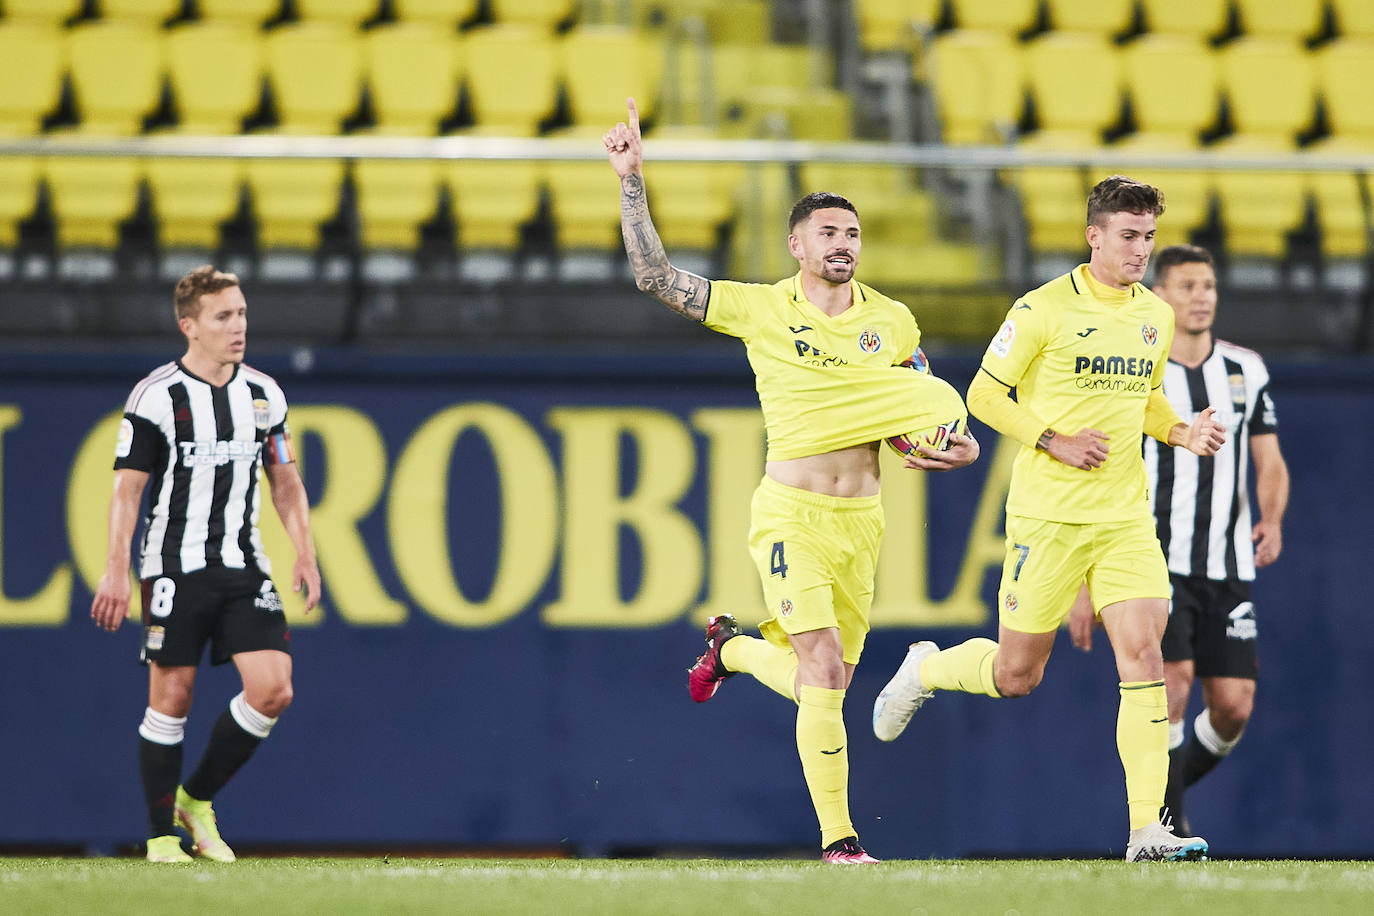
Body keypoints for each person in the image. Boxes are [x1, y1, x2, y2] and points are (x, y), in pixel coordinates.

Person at [604, 98, 980, 863]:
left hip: (863, 520)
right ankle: (840, 843)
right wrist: (631, 180)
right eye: (829, 233)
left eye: (853, 234)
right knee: (819, 667)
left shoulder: (894, 321)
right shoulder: (761, 306)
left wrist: (960, 449)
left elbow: (921, 407)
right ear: (796, 245)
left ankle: (735, 649)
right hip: (792, 515)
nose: (844, 244)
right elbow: (653, 276)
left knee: (830, 678)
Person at [870, 176, 1228, 862]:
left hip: (1124, 517)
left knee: (1144, 653)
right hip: (1049, 518)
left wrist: (1180, 433)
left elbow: (1146, 398)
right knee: (1016, 675)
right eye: (1128, 237)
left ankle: (1147, 830)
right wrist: (1053, 439)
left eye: (1149, 237)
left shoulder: (1154, 315)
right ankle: (929, 668)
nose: (1140, 251)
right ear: (1093, 235)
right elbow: (983, 392)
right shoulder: (1041, 309)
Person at [90, 266, 321, 863]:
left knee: (273, 689)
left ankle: (195, 800)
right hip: (174, 564)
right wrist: (116, 567)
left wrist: (307, 552)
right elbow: (127, 489)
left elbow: (285, 481)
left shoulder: (265, 394)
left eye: (242, 313)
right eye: (224, 317)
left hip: (243, 563)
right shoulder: (156, 396)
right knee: (173, 698)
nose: (238, 326)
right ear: (189, 326)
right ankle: (161, 837)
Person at [1068, 244, 1289, 835]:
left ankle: (1158, 796)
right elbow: (1099, 471)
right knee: (1173, 688)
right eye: (1188, 286)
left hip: (1227, 560)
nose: (1201, 297)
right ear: (1160, 295)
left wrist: (1272, 517)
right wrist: (1087, 581)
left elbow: (1269, 461)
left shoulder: (1246, 370)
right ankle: (1168, 827)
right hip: (1151, 559)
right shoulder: (1133, 368)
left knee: (1233, 705)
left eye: (1209, 286)